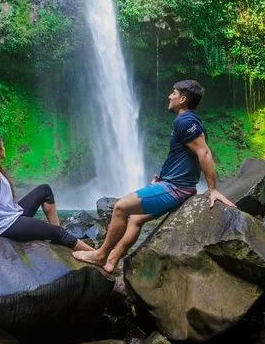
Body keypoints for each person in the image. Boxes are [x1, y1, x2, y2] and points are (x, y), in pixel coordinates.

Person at [73, 80, 236, 272]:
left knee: (120, 207)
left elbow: (204, 152)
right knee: (135, 219)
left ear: (182, 99)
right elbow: (185, 156)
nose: (169, 96)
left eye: (173, 93)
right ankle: (111, 262)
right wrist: (162, 179)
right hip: (174, 184)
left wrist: (213, 189)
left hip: (176, 188)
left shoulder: (185, 121)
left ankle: (100, 255)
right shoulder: (188, 120)